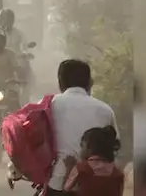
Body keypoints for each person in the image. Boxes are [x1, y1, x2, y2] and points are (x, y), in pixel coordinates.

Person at [46, 59, 119, 195]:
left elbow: (30, 140)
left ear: (60, 82)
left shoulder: (48, 106)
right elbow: (114, 148)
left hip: (57, 183)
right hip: (98, 186)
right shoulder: (105, 110)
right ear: (89, 82)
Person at [62, 125, 124, 195]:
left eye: (82, 146)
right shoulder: (117, 173)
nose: (80, 150)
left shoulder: (81, 168)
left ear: (89, 148)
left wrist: (69, 168)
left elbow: (66, 188)